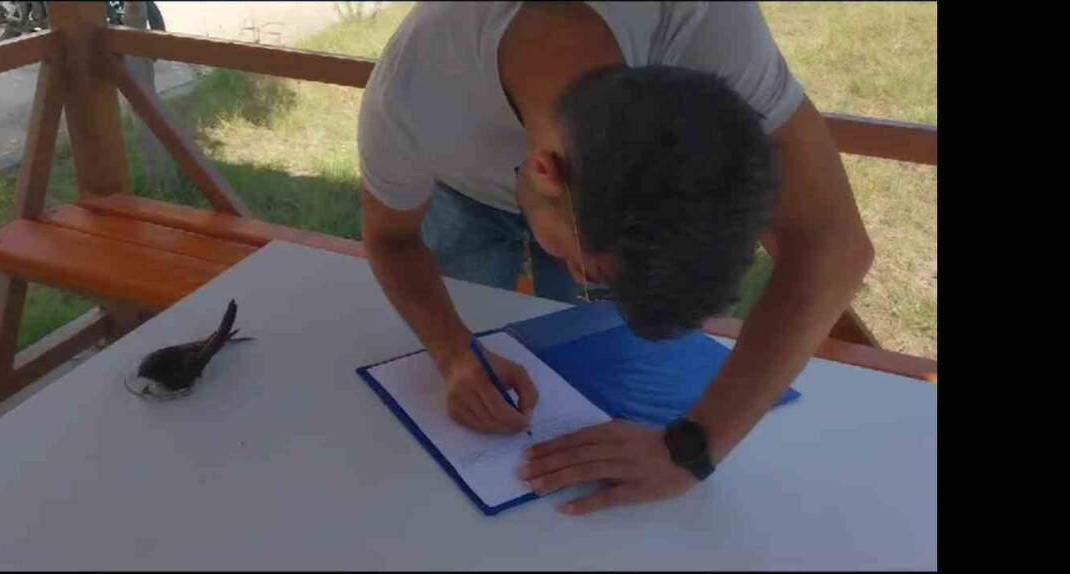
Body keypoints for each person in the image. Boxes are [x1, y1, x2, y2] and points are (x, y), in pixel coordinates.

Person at [358, 2, 873, 515]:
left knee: (569, 335)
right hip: (462, 183)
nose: (594, 287)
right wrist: (453, 354)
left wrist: (695, 448)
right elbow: (392, 240)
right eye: (596, 276)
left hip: (569, 208)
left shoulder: (704, 20)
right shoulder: (414, 94)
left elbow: (834, 247)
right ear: (543, 170)